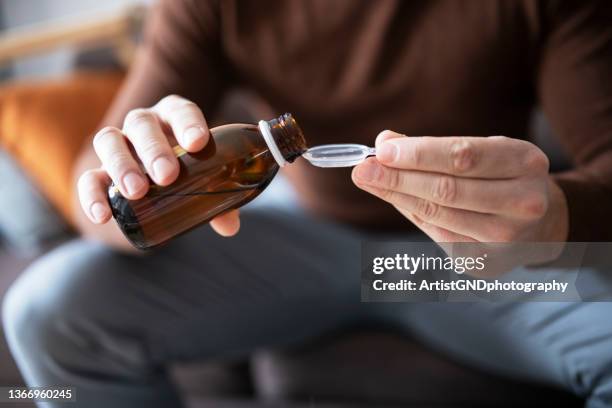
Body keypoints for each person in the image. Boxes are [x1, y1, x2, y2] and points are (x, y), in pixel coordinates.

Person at [3, 0, 612, 406]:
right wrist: (130, 189)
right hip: (301, 236)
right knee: (48, 307)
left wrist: (551, 212)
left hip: (468, 258)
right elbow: (95, 180)